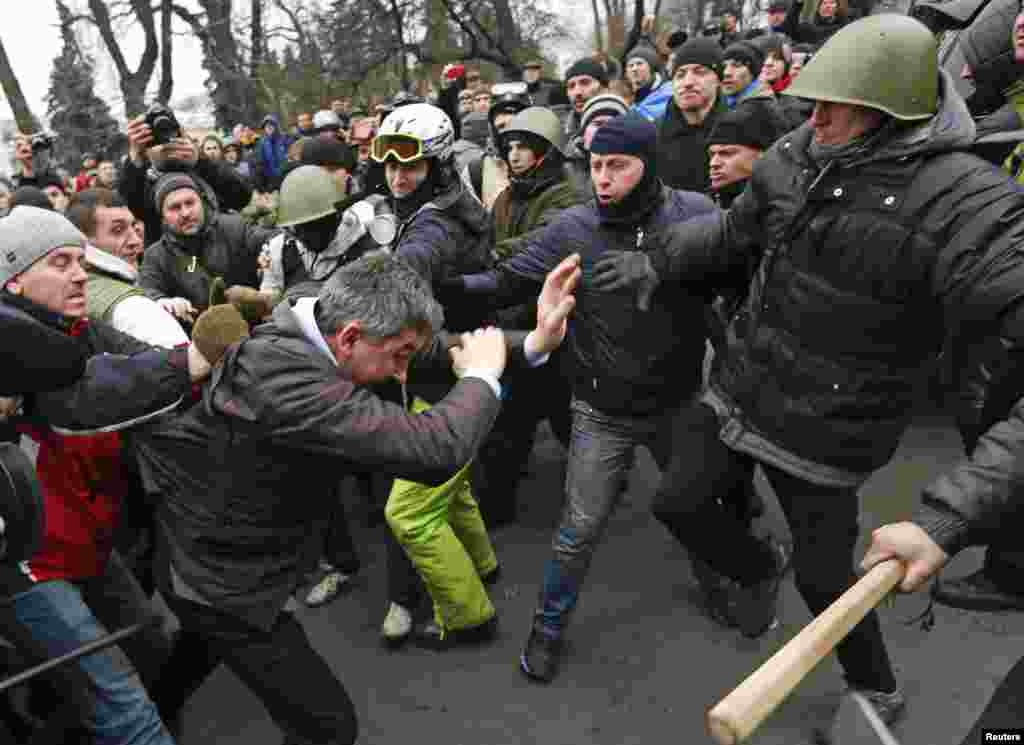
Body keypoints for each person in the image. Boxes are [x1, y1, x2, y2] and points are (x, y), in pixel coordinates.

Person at [591, 13, 1024, 734]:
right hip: (741, 384)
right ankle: (761, 565)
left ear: (890, 113)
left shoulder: (970, 206)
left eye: (831, 105)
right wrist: (656, 258)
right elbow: (735, 231)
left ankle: (876, 685)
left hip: (827, 430)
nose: (809, 116)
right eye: (811, 100)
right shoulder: (802, 149)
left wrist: (951, 512)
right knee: (678, 500)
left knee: (828, 582)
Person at [129, 250, 579, 743]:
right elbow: (433, 449)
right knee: (328, 727)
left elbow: (424, 349)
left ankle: (134, 723)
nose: (403, 371)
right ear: (348, 339)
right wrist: (481, 378)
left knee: (195, 654)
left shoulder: (321, 313)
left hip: (222, 558)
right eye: (398, 357)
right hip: (225, 582)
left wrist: (533, 342)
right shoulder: (288, 384)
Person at [443, 113, 718, 681]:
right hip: (602, 410)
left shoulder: (696, 215)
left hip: (679, 403)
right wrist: (436, 286)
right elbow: (505, 281)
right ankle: (547, 628)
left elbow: (737, 277)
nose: (603, 178)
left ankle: (723, 586)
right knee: (578, 531)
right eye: (595, 166)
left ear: (650, 163)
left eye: (617, 165)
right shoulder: (574, 227)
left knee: (697, 510)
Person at [0, 206, 240, 745]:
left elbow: (140, 362)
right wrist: (194, 362)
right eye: (61, 262)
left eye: (81, 261)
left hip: (83, 540)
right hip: (27, 563)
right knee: (123, 702)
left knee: (151, 649)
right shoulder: (16, 349)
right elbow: (91, 396)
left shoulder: (74, 328)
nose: (82, 274)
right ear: (13, 278)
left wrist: (214, 360)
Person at [470, 107, 582, 527]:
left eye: (525, 148)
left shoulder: (566, 198)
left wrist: (492, 258)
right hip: (515, 323)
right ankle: (497, 505)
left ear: (546, 153)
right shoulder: (506, 198)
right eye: (510, 147)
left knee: (556, 415)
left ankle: (602, 479)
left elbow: (547, 241)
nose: (514, 155)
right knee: (513, 423)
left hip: (553, 324)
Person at [138, 172, 278, 324]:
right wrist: (164, 302)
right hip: (199, 340)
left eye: (190, 203)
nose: (185, 213)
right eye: (174, 208)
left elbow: (274, 238)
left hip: (254, 327)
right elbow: (147, 291)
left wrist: (271, 256)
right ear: (163, 216)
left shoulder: (235, 227)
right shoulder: (156, 256)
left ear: (201, 202)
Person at [66, 189, 188, 349]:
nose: (136, 241)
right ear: (83, 241)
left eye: (133, 227)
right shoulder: (133, 308)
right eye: (118, 230)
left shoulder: (68, 291)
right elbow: (186, 365)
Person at [120, 113, 255, 247]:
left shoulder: (202, 170)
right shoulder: (142, 181)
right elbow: (133, 205)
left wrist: (200, 161)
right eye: (157, 139)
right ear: (146, 148)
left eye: (168, 133)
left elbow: (242, 196)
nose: (166, 143)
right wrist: (134, 160)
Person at [657, 37, 728, 193]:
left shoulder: (737, 131)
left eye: (700, 72)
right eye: (680, 74)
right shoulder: (653, 135)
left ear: (718, 80)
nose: (688, 82)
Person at [623, 42, 673, 121]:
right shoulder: (625, 98)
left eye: (639, 64)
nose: (634, 69)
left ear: (651, 67)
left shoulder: (669, 92)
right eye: (630, 65)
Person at [563, 58, 611, 140]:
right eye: (571, 86)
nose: (577, 92)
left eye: (585, 83)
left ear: (605, 88)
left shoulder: (627, 127)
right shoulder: (562, 133)